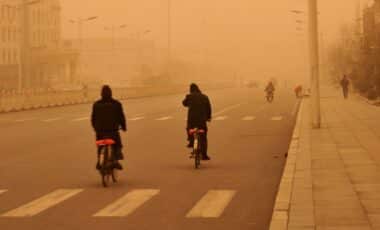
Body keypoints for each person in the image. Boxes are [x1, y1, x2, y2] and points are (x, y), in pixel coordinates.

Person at [91, 85, 127, 170]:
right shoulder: (116, 104)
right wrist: (124, 127)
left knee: (100, 145)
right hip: (113, 131)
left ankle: (99, 161)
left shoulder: (96, 104)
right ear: (111, 93)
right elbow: (121, 117)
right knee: (117, 144)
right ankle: (116, 160)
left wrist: (95, 128)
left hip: (100, 132)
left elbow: (93, 118)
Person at [182, 83, 212, 160]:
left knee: (189, 129)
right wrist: (208, 117)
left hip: (192, 120)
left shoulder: (189, 96)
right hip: (202, 120)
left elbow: (184, 103)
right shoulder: (204, 97)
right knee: (203, 136)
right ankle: (204, 155)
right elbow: (208, 107)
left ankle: (191, 142)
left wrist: (189, 103)